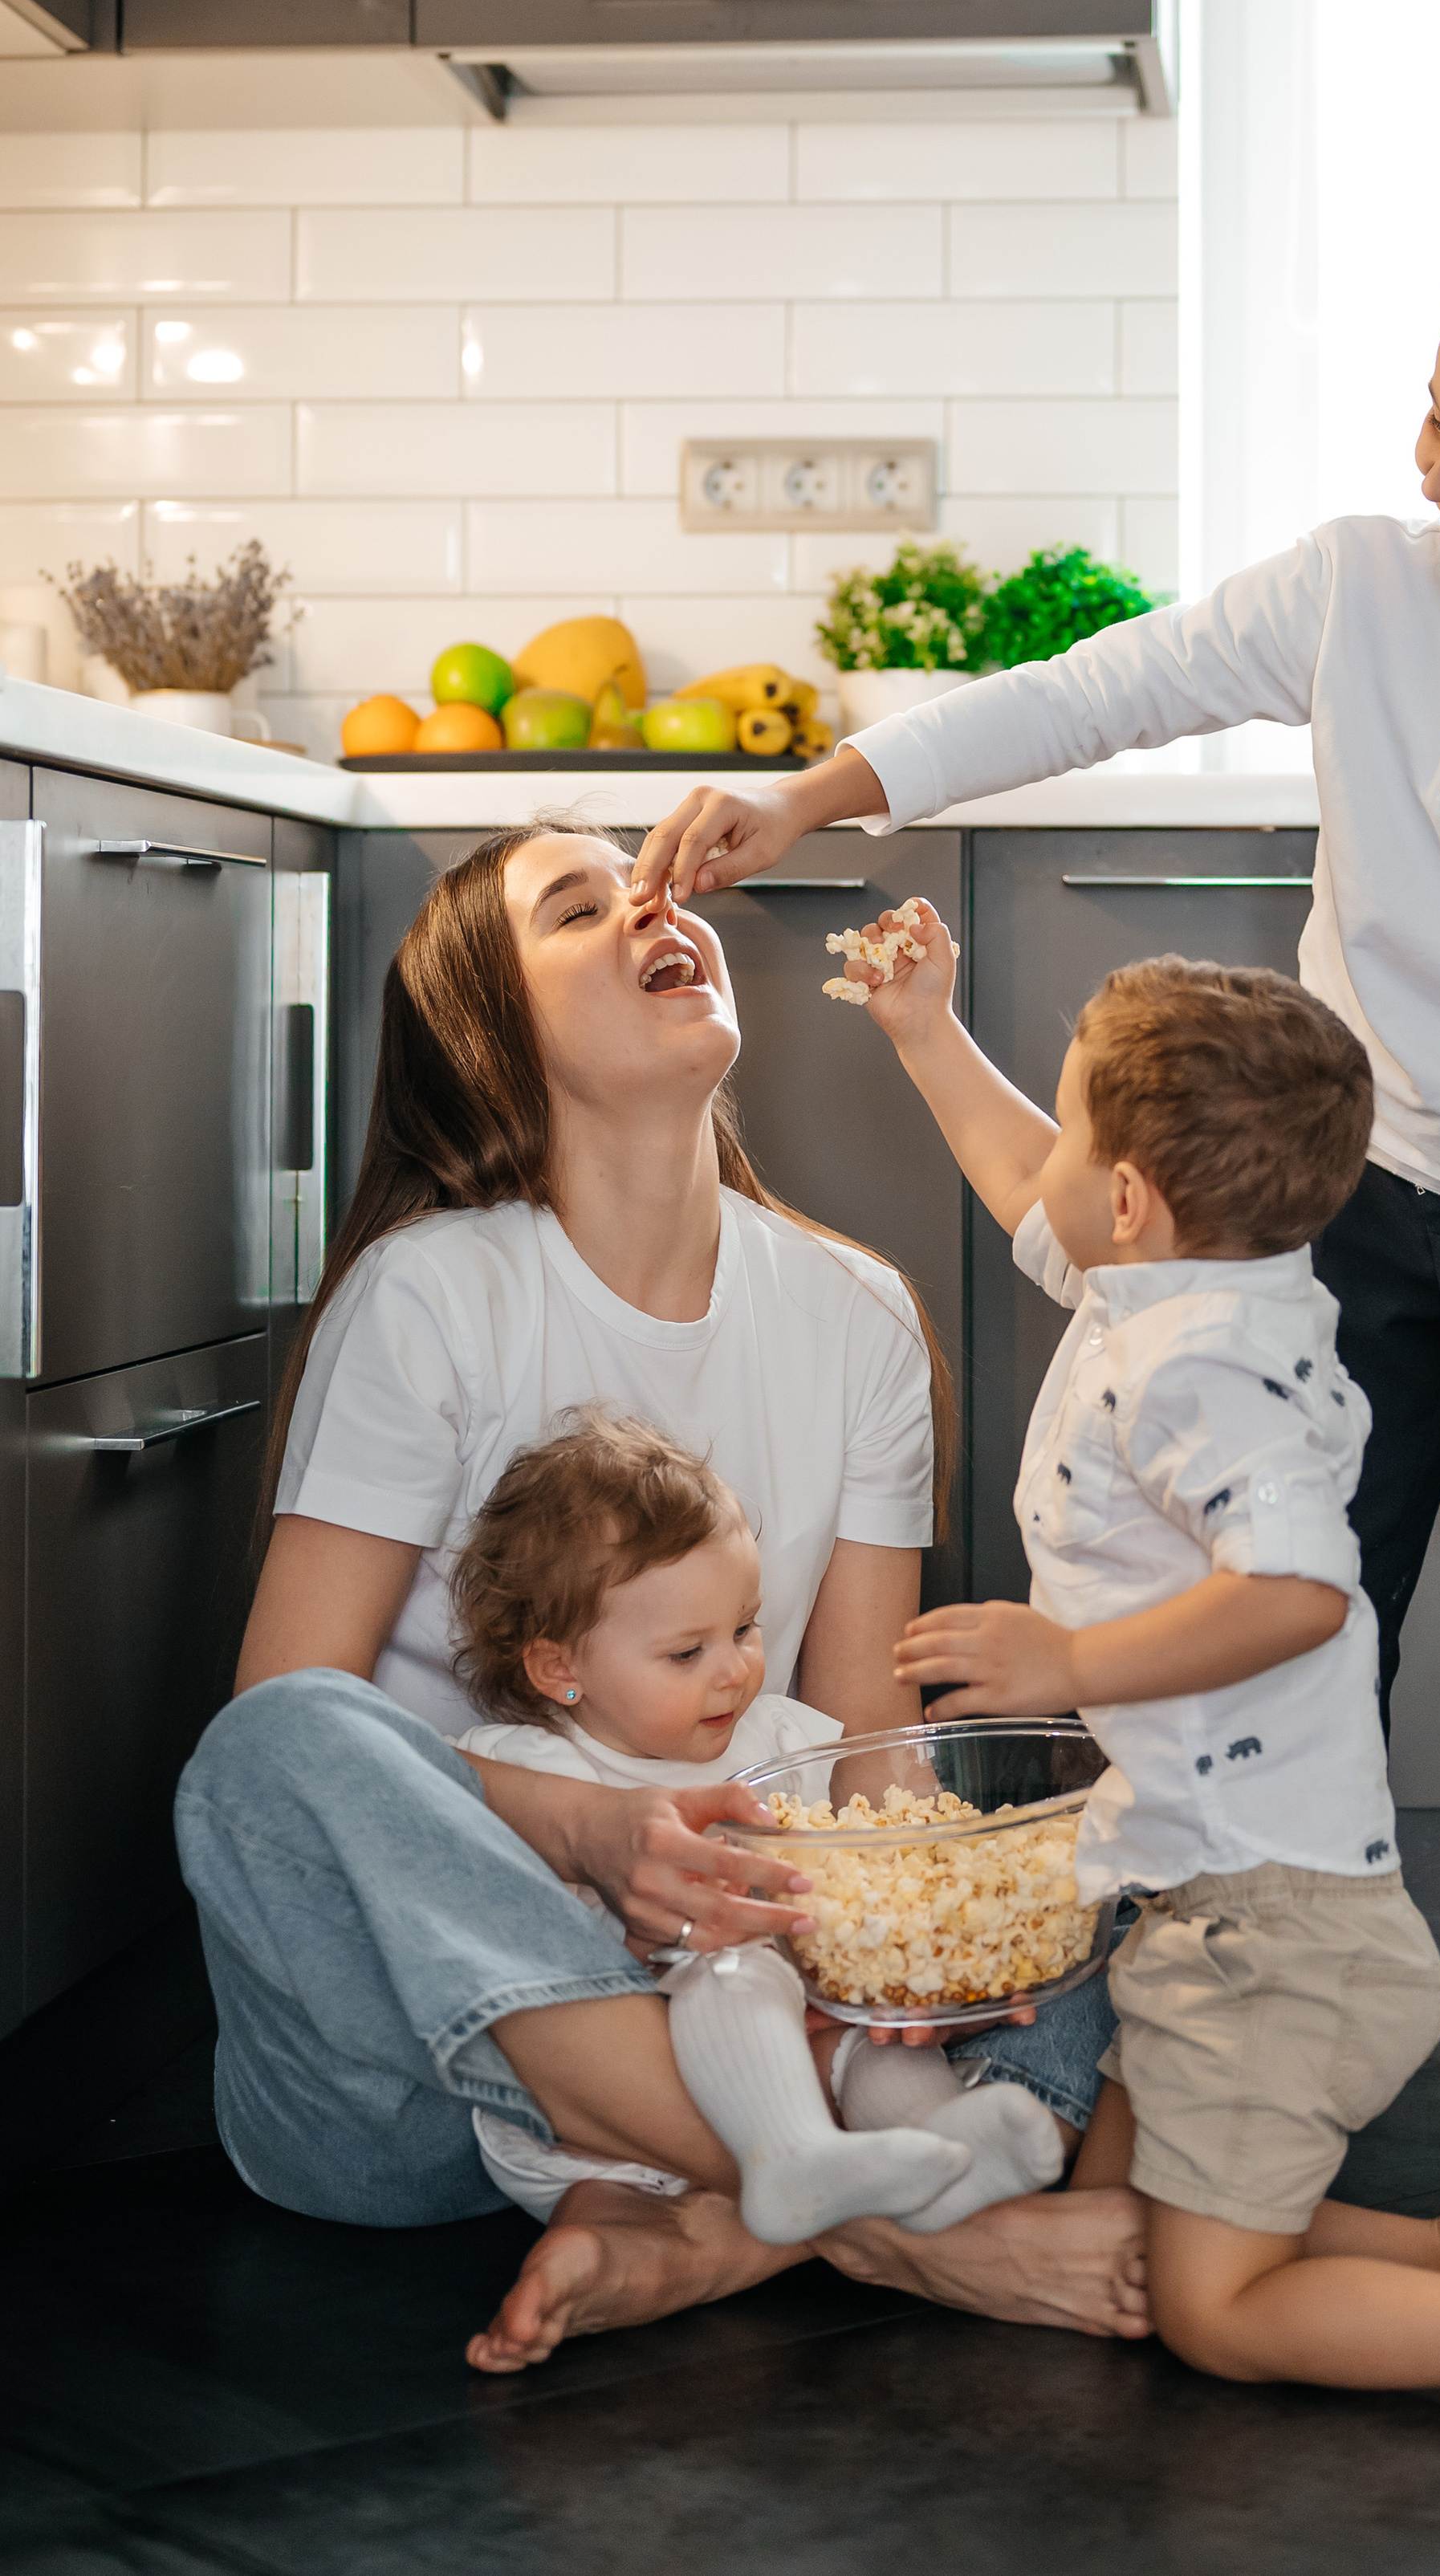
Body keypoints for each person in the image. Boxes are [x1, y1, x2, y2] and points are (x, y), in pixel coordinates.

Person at [628, 201, 1440, 2200]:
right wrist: (821, 792)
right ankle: (1203, 2037)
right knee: (1262, 1617)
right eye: (1429, 422)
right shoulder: (1355, 588)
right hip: (1332, 1203)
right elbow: (1093, 690)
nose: (1435, 475)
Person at [175, 822, 1146, 2376]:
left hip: (776, 2008)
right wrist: (584, 1831)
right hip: (426, 2100)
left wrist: (938, 1945)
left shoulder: (854, 1314)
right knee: (275, 1744)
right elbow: (290, 1727)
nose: (645, 900)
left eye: (644, 877)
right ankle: (899, 2231)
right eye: (576, 905)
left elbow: (862, 1754)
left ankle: (722, 2222)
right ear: (491, 1037)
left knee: (1151, 1798)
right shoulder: (435, 1295)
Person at [830, 909, 1440, 2416]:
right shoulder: (1171, 1284)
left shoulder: (1200, 1361)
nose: (1054, 1159)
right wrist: (920, 1027)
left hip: (1272, 1938)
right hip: (1209, 1908)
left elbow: (1300, 1589)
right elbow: (1029, 1181)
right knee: (1125, 2224)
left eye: (1075, 1123)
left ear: (1134, 1195)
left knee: (1210, 2308)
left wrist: (1064, 1655)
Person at [449, 1406, 1064, 2241]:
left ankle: (944, 2154)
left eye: (744, 1627)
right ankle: (790, 2157)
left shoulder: (776, 1738)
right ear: (561, 1667)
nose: (734, 1669)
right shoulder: (536, 1769)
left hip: (795, 2049)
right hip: (614, 2110)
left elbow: (867, 1867)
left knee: (880, 2038)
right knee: (734, 1973)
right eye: (685, 1652)